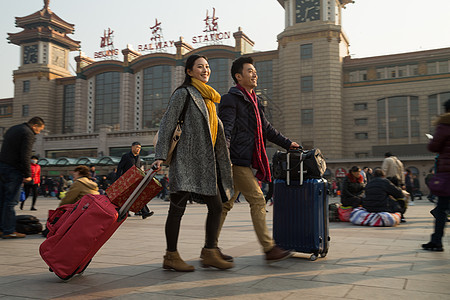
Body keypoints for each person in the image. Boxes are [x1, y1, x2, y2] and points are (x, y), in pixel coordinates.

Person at [152, 54, 234, 271]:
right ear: (189, 71)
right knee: (177, 209)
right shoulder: (184, 94)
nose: (205, 70)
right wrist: (160, 155)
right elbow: (167, 123)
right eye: (200, 67)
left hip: (207, 164)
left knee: (217, 206)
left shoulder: (209, 98)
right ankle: (171, 255)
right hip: (186, 161)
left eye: (207, 66)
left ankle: (209, 251)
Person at [217, 56, 300, 263]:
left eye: (255, 71)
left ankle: (210, 247)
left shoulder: (254, 101)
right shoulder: (231, 99)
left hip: (243, 159)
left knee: (225, 205)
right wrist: (224, 156)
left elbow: (267, 130)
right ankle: (268, 247)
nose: (255, 74)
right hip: (235, 160)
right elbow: (225, 130)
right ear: (238, 76)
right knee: (257, 199)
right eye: (250, 71)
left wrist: (288, 143)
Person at [0, 117, 45, 239]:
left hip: (2, 167)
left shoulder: (13, 129)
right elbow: (25, 155)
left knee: (2, 200)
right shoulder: (28, 133)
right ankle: (8, 230)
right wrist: (27, 174)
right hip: (13, 170)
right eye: (39, 129)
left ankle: (1, 228)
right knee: (11, 202)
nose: (38, 132)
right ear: (35, 125)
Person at [422, 99, 450, 252]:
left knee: (441, 208)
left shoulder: (445, 125)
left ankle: (437, 241)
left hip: (447, 174)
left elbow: (433, 146)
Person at [116, 142, 154, 219]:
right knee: (130, 197)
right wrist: (118, 179)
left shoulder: (138, 158)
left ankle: (144, 212)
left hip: (135, 181)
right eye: (137, 147)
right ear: (132, 147)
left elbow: (139, 169)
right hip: (126, 181)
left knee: (137, 196)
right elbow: (119, 168)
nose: (138, 149)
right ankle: (143, 212)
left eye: (139, 148)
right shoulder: (126, 156)